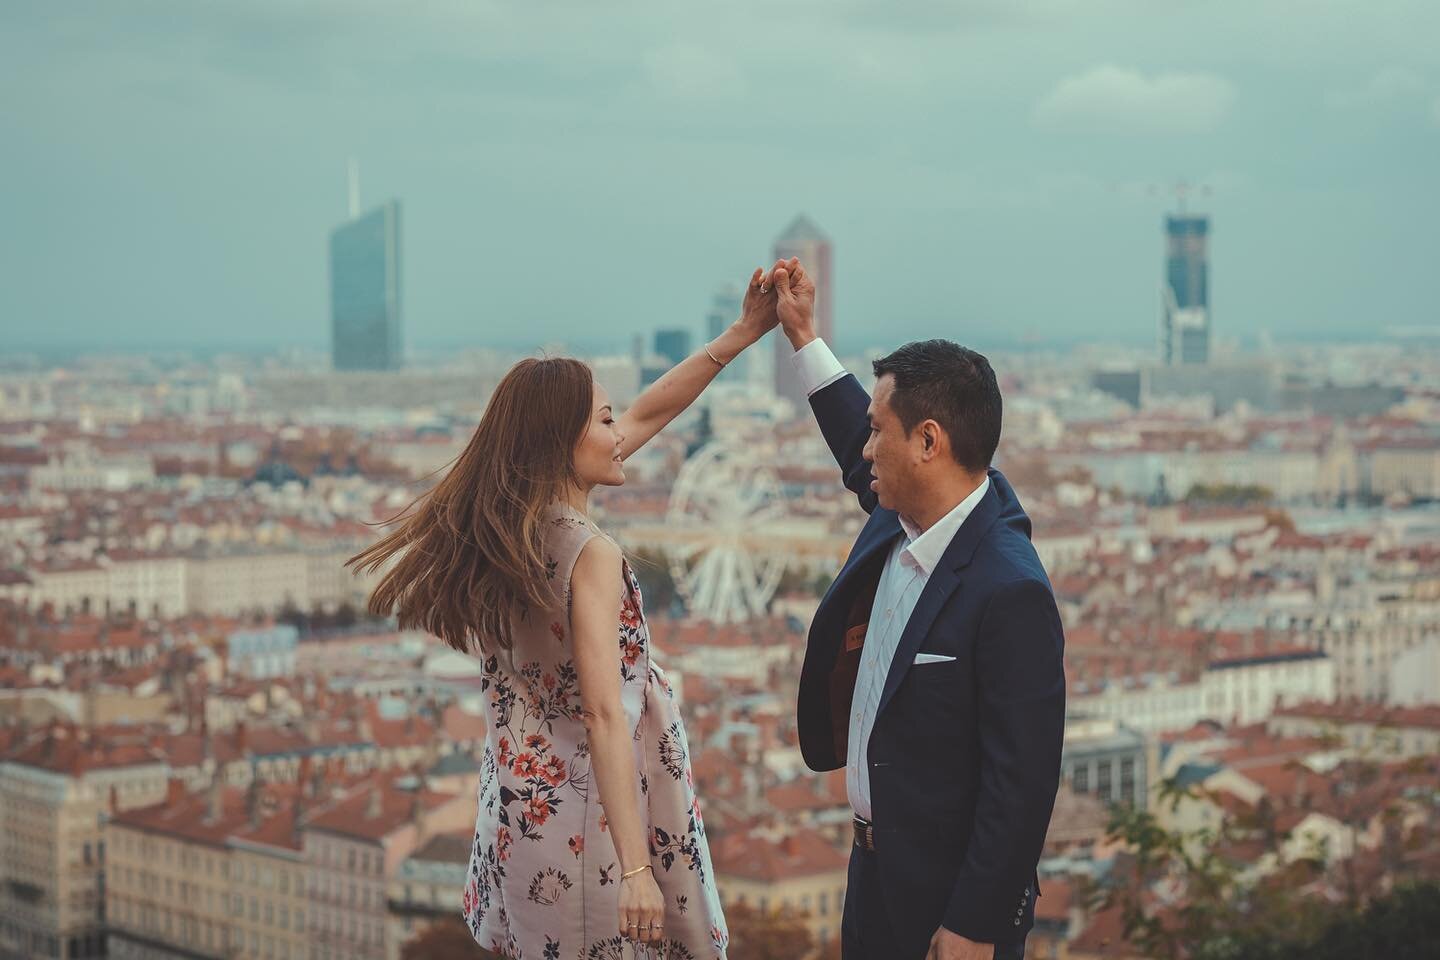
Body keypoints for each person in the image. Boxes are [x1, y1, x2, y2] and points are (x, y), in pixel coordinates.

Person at [347, 269, 783, 959]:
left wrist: (742, 333)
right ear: (563, 441)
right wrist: (638, 872)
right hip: (593, 828)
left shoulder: (504, 529)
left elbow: (646, 414)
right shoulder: (589, 553)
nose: (621, 431)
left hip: (520, 813)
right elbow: (605, 716)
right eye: (605, 421)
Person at [771, 259, 1067, 960]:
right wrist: (804, 337)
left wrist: (976, 923)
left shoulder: (1009, 589)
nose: (865, 450)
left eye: (881, 432)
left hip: (948, 900)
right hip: (872, 873)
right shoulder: (904, 512)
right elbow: (856, 445)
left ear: (929, 442)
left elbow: (1021, 781)